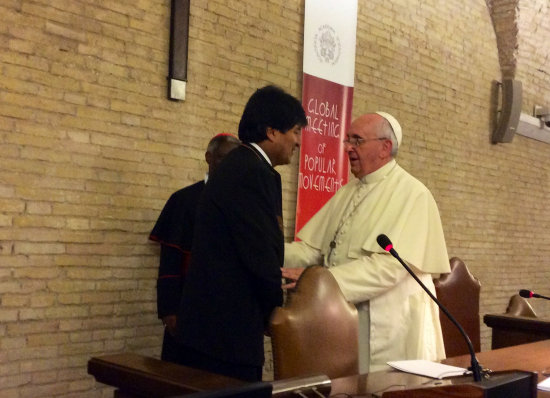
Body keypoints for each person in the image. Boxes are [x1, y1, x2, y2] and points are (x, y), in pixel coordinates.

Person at [282, 112, 451, 373]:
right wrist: (266, 251)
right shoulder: (347, 192)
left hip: (392, 321)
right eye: (347, 140)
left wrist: (322, 283)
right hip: (344, 315)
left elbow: (390, 268)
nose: (348, 147)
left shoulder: (413, 194)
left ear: (385, 147)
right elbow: (314, 250)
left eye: (357, 140)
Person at [175, 85, 307, 381]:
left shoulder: (241, 165)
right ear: (272, 131)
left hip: (213, 329)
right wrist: (274, 311)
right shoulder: (252, 172)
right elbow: (258, 252)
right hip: (226, 334)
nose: (297, 142)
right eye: (295, 132)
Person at [149, 133, 240, 363]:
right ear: (209, 158)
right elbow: (170, 260)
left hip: (227, 311)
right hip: (188, 307)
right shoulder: (184, 200)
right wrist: (170, 310)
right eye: (224, 158)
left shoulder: (243, 203)